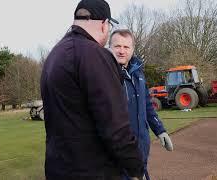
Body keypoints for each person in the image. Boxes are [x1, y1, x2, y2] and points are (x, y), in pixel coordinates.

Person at [40, 1, 144, 180]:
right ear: (104, 24)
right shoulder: (96, 55)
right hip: (93, 171)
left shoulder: (54, 55)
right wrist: (136, 168)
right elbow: (116, 127)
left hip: (58, 168)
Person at [109, 29, 174, 180]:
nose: (122, 51)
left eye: (126, 47)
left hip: (141, 150)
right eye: (117, 46)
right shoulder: (106, 74)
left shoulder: (138, 73)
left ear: (132, 49)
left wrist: (160, 130)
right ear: (110, 47)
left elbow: (147, 105)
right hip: (119, 155)